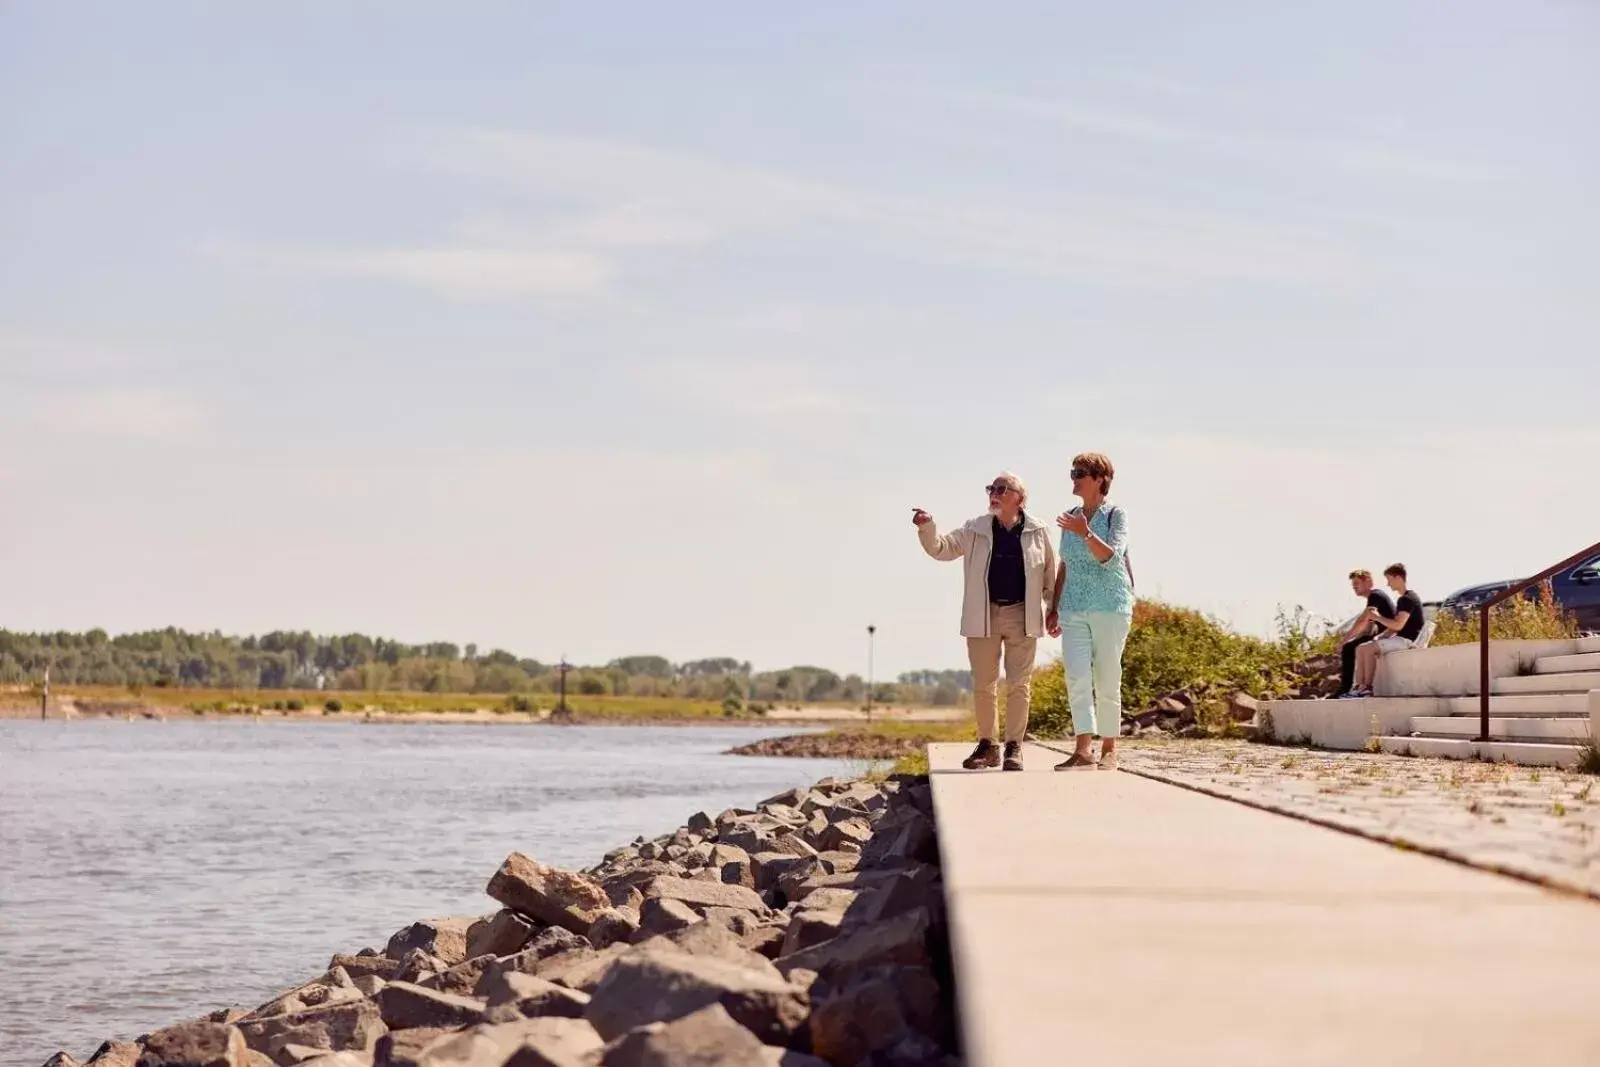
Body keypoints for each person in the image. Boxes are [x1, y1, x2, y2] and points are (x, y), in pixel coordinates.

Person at [913, 471, 1059, 772]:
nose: (994, 492)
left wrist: (1054, 610)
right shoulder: (974, 528)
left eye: (1001, 488)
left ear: (1019, 498)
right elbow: (941, 548)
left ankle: (1014, 748)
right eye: (991, 488)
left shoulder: (1038, 530)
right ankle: (988, 745)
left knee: (1020, 685)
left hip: (1022, 615)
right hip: (984, 615)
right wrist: (927, 527)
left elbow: (1049, 576)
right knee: (984, 685)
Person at [1049, 453, 1135, 772]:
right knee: (1076, 676)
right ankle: (1083, 749)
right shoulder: (1069, 516)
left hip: (1110, 607)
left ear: (1100, 478)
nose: (1073, 477)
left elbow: (1110, 558)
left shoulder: (1116, 515)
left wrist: (1085, 532)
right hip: (1073, 607)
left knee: (1107, 676)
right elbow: (1065, 564)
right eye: (1072, 471)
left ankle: (1110, 746)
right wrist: (1053, 607)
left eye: (1080, 472)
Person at [1350, 563, 1425, 696]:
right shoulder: (1403, 599)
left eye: (1389, 580)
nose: (1388, 584)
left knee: (1368, 649)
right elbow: (1393, 627)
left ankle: (1367, 687)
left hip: (1407, 641)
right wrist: (1380, 637)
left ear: (1398, 578)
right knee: (1360, 648)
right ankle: (1358, 687)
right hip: (1400, 638)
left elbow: (1398, 625)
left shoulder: (1408, 599)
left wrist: (1377, 618)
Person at [1335, 569, 1396, 698]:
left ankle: (1346, 688)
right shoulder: (1374, 598)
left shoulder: (1376, 595)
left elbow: (1362, 621)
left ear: (1368, 582)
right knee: (1354, 645)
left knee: (1348, 648)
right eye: (1353, 584)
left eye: (1357, 583)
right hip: (1382, 635)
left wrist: (1344, 640)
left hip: (1389, 636)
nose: (1354, 587)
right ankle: (1355, 686)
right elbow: (1367, 627)